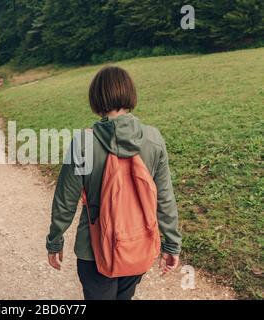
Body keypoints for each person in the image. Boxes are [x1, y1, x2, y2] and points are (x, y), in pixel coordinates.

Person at [46, 66, 182, 300]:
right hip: (137, 244)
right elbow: (164, 198)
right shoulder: (154, 139)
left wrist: (54, 241)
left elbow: (65, 201)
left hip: (94, 251)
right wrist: (172, 244)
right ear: (130, 95)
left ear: (96, 98)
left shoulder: (83, 143)